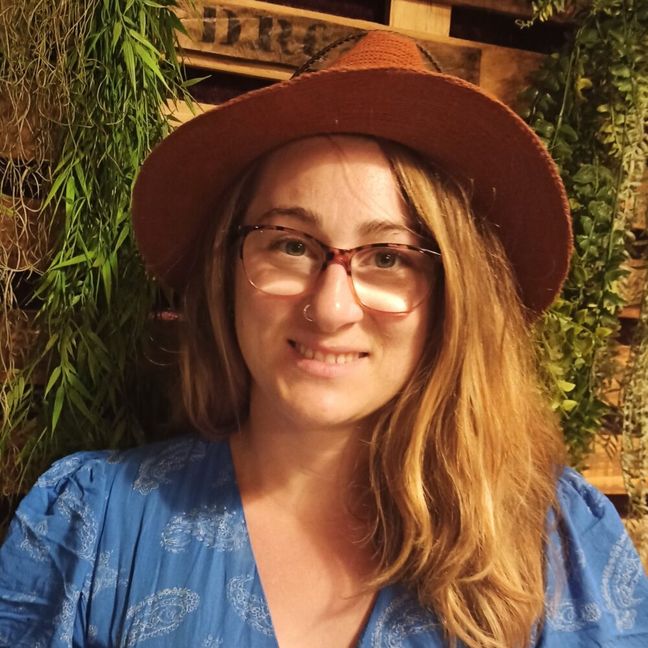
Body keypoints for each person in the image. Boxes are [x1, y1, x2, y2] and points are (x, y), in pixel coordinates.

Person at [0, 29, 646, 648]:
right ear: (227, 269)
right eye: (290, 245)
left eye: (389, 257)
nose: (331, 308)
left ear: (456, 295)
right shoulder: (90, 529)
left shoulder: (559, 547)